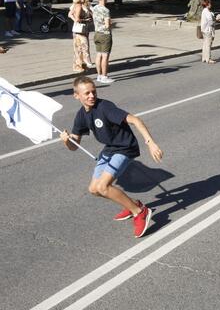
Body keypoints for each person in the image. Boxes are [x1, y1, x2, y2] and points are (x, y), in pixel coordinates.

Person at [60, 76, 163, 238]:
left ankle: (139, 212)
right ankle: (133, 205)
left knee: (103, 187)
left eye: (93, 91)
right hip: (109, 149)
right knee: (94, 189)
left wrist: (150, 143)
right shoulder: (81, 115)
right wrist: (67, 141)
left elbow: (135, 120)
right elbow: (74, 146)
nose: (92, 96)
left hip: (125, 148)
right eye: (86, 93)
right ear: (76, 96)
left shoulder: (105, 107)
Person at [68, 0, 94, 73]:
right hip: (80, 30)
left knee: (78, 49)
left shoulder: (82, 5)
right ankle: (83, 64)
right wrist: (84, 20)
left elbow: (70, 14)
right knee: (83, 47)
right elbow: (75, 18)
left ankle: (80, 66)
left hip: (81, 29)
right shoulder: (78, 5)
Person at [92, 0, 114, 83]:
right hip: (105, 34)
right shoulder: (105, 10)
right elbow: (107, 25)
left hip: (97, 33)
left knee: (98, 55)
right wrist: (110, 23)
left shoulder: (95, 8)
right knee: (105, 56)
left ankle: (99, 75)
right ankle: (104, 76)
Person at [200, 0, 217, 64]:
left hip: (204, 30)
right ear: (207, 4)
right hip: (208, 30)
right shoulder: (207, 12)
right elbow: (211, 22)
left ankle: (204, 58)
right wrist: (216, 20)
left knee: (205, 44)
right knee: (208, 44)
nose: (211, 5)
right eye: (210, 4)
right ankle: (208, 59)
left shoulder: (204, 11)